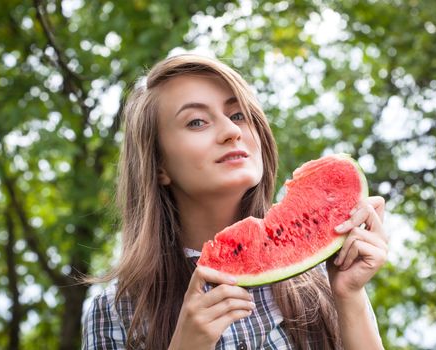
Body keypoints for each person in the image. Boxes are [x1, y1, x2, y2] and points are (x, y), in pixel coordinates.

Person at [82, 53, 388, 350]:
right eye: (197, 122)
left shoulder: (317, 279)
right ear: (159, 164)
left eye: (238, 115)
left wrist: (350, 297)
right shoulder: (114, 312)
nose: (231, 131)